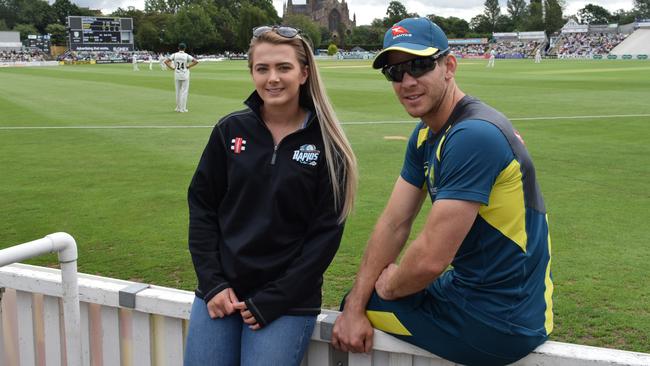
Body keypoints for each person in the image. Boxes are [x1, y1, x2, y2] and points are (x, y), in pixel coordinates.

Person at [331, 17, 553, 366]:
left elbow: (432, 258)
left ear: (449, 66)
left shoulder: (473, 136)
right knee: (356, 302)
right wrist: (360, 299)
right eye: (395, 72)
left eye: (419, 65)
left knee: (361, 306)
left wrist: (379, 291)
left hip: (502, 321)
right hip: (471, 294)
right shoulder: (425, 134)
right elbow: (394, 222)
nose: (407, 81)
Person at [184, 25, 358, 366]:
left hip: (286, 302)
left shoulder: (328, 144)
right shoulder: (229, 130)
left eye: (284, 67)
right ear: (251, 72)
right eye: (262, 68)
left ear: (304, 73)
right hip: (222, 293)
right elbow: (202, 208)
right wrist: (213, 283)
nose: (272, 78)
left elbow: (324, 236)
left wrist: (275, 299)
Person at [165, 43, 198, 113]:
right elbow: (196, 61)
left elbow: (166, 61)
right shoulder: (186, 55)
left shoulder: (174, 55)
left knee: (178, 92)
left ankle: (178, 108)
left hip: (177, 74)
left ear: (178, 48)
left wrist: (172, 68)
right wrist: (189, 66)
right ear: (185, 48)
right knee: (184, 92)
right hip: (185, 74)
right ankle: (183, 108)